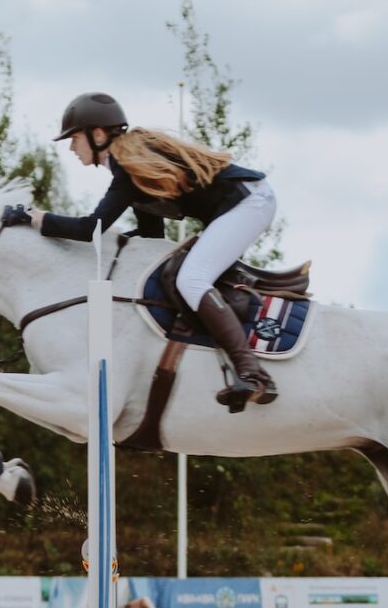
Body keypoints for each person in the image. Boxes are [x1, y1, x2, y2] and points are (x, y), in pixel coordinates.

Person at [27, 92, 279, 409]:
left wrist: (36, 219)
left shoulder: (127, 165)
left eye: (74, 138)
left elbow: (89, 228)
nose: (71, 148)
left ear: (98, 134)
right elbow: (150, 234)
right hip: (241, 203)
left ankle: (252, 373)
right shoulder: (133, 164)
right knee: (184, 275)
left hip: (249, 201)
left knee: (192, 279)